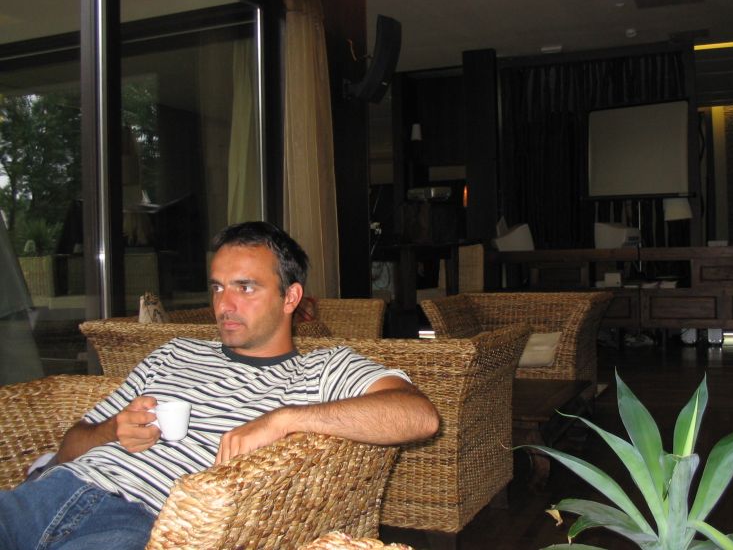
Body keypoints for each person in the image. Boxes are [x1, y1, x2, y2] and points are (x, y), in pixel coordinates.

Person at [0, 221, 440, 550]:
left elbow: (419, 416)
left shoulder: (324, 368)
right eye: (217, 287)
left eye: (245, 288)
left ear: (290, 297)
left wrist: (282, 420)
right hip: (45, 493)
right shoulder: (174, 352)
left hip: (140, 522)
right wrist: (111, 430)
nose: (224, 305)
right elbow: (69, 446)